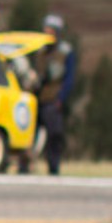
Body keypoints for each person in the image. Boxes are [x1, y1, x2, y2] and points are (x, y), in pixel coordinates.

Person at [26, 13, 77, 176]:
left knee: (54, 135)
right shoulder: (40, 51)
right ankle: (25, 166)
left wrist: (60, 99)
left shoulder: (65, 52)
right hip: (37, 98)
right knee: (29, 136)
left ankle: (53, 168)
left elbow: (69, 78)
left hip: (53, 101)